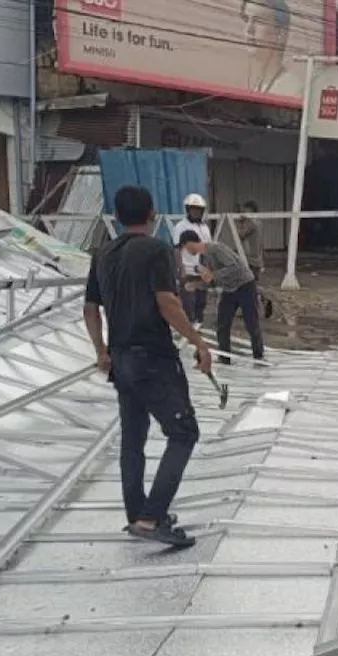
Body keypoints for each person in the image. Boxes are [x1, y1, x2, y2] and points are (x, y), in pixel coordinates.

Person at [85, 185, 212, 549]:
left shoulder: (103, 253)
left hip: (121, 359)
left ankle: (136, 512)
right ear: (152, 213)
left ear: (118, 215)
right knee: (183, 433)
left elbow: (90, 308)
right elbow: (167, 302)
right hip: (152, 358)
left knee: (133, 439)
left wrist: (101, 350)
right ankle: (151, 517)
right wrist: (199, 342)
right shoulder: (156, 250)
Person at [178, 231, 265, 365]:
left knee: (251, 323)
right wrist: (197, 285)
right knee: (222, 324)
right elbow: (212, 281)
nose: (185, 252)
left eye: (184, 248)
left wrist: (213, 275)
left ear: (189, 243)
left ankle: (259, 357)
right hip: (228, 289)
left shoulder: (216, 248)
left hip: (245, 285)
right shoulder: (203, 258)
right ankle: (225, 358)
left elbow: (234, 267)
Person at [172, 193, 212, 326]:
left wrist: (208, 268)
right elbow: (177, 249)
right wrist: (180, 268)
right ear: (188, 209)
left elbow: (207, 249)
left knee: (201, 301)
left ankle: (198, 325)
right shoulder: (181, 227)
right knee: (188, 302)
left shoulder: (204, 228)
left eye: (198, 209)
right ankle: (189, 326)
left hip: (201, 270)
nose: (196, 212)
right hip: (187, 269)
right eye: (193, 209)